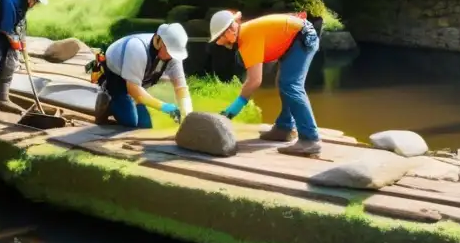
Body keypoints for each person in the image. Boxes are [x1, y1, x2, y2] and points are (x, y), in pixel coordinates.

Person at [210, 10, 321, 156]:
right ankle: (285, 128)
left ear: (229, 30)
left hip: (302, 36)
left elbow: (254, 81)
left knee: (290, 85)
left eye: (219, 38)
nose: (219, 42)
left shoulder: (247, 37)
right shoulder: (245, 33)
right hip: (294, 38)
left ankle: (310, 139)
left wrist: (232, 111)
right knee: (285, 83)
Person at [99, 23, 192, 128]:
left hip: (138, 81)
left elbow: (181, 88)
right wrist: (164, 107)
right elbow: (133, 89)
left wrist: (187, 115)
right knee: (131, 122)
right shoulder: (137, 48)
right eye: (170, 51)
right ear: (158, 41)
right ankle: (107, 99)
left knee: (145, 124)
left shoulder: (173, 56)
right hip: (117, 77)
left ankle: (126, 104)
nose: (172, 56)